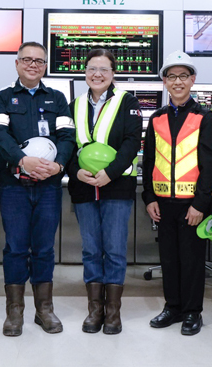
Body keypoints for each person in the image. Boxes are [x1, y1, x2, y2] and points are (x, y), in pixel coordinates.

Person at [0, 41, 76, 336]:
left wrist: (59, 164)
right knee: (15, 247)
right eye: (27, 60)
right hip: (14, 185)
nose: (33, 65)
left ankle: (44, 309)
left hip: (48, 186)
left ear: (45, 66)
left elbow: (67, 136)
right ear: (17, 64)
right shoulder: (2, 97)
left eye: (39, 61)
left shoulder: (57, 98)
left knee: (44, 248)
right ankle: (14, 312)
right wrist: (21, 160)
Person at [142, 50, 212, 337]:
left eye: (183, 76)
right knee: (168, 259)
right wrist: (149, 198)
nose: (177, 82)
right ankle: (172, 307)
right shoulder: (156, 118)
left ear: (192, 80)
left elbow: (211, 164)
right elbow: (148, 161)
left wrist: (200, 203)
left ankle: (192, 311)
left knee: (191, 260)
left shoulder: (204, 117)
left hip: (192, 204)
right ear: (164, 81)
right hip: (163, 203)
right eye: (172, 76)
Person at [68, 48, 143, 335]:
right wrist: (75, 170)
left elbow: (132, 142)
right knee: (90, 249)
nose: (97, 74)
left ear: (113, 73)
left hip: (116, 187)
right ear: (85, 72)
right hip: (84, 187)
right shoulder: (74, 105)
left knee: (114, 249)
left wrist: (110, 173)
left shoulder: (127, 102)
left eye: (103, 69)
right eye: (91, 68)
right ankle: (94, 310)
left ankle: (113, 313)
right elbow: (67, 144)